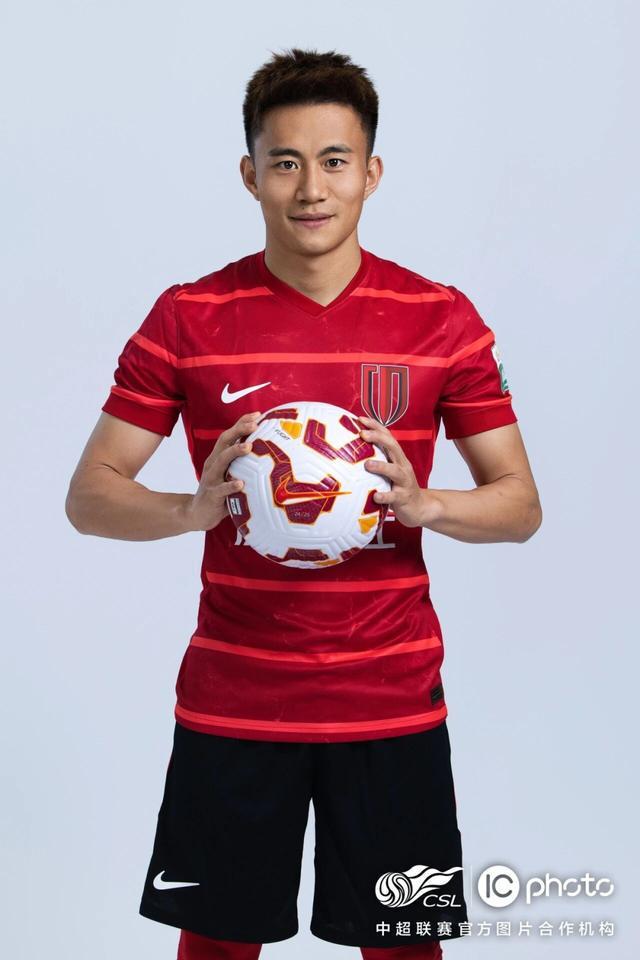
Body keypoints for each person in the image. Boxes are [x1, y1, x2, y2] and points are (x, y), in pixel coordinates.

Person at [65, 47, 542, 960]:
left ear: (372, 172)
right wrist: (189, 511)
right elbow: (90, 496)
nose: (311, 188)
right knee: (216, 944)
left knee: (404, 943)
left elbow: (519, 506)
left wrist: (425, 504)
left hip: (391, 699)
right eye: (285, 162)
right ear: (251, 175)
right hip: (235, 700)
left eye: (334, 161)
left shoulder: (441, 318)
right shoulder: (189, 317)